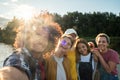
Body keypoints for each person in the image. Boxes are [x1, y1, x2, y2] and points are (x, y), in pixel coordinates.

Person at [0, 12, 63, 80]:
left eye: (45, 37)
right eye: (38, 34)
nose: (41, 39)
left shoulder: (42, 62)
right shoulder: (19, 57)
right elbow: (11, 72)